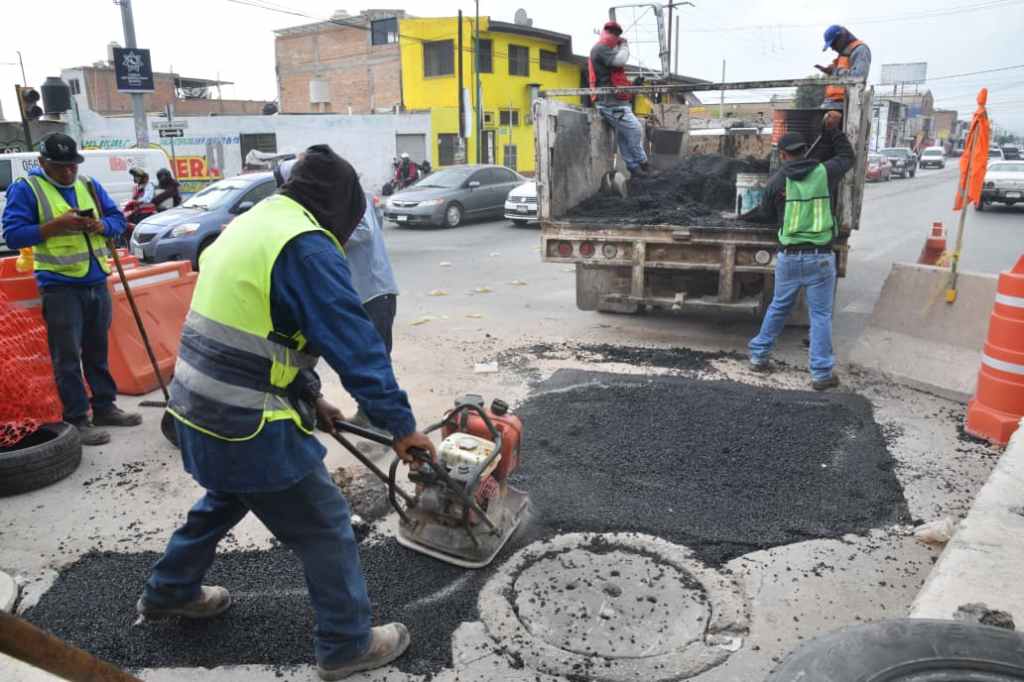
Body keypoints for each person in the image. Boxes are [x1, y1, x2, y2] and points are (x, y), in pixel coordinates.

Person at [138, 144, 435, 681]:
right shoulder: (307, 247)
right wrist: (401, 428)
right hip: (244, 419)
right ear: (340, 204)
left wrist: (309, 395)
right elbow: (356, 346)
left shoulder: (256, 223)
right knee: (325, 526)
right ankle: (345, 644)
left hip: (195, 405)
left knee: (227, 495)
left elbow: (261, 326)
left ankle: (169, 589)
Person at [0, 133, 142, 445]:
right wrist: (56, 226)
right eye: (60, 166)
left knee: (97, 350)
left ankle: (104, 407)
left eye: (72, 165)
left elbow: (117, 220)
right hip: (60, 286)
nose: (68, 172)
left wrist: (102, 226)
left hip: (96, 280)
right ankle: (77, 418)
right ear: (42, 163)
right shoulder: (27, 189)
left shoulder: (88, 185)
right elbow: (14, 235)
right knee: (66, 357)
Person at [742, 112, 854, 390]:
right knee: (820, 316)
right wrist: (833, 130)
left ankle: (759, 356)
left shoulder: (776, 182)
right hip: (820, 258)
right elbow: (847, 156)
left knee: (779, 307)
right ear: (804, 151)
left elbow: (766, 214)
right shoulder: (824, 172)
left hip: (789, 257)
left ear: (782, 155)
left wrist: (746, 217)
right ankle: (821, 374)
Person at [589, 20, 651, 177]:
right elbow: (620, 60)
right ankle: (642, 163)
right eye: (612, 33)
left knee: (624, 136)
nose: (615, 36)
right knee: (635, 129)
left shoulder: (607, 50)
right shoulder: (600, 49)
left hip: (617, 102)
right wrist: (624, 46)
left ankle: (634, 168)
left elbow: (616, 81)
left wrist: (633, 85)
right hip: (610, 104)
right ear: (606, 32)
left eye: (617, 34)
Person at [815, 25, 871, 110]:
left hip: (846, 104)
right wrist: (832, 71)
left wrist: (837, 71)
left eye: (834, 44)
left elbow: (859, 77)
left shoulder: (861, 50)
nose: (833, 48)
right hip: (831, 103)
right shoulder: (844, 53)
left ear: (842, 36)